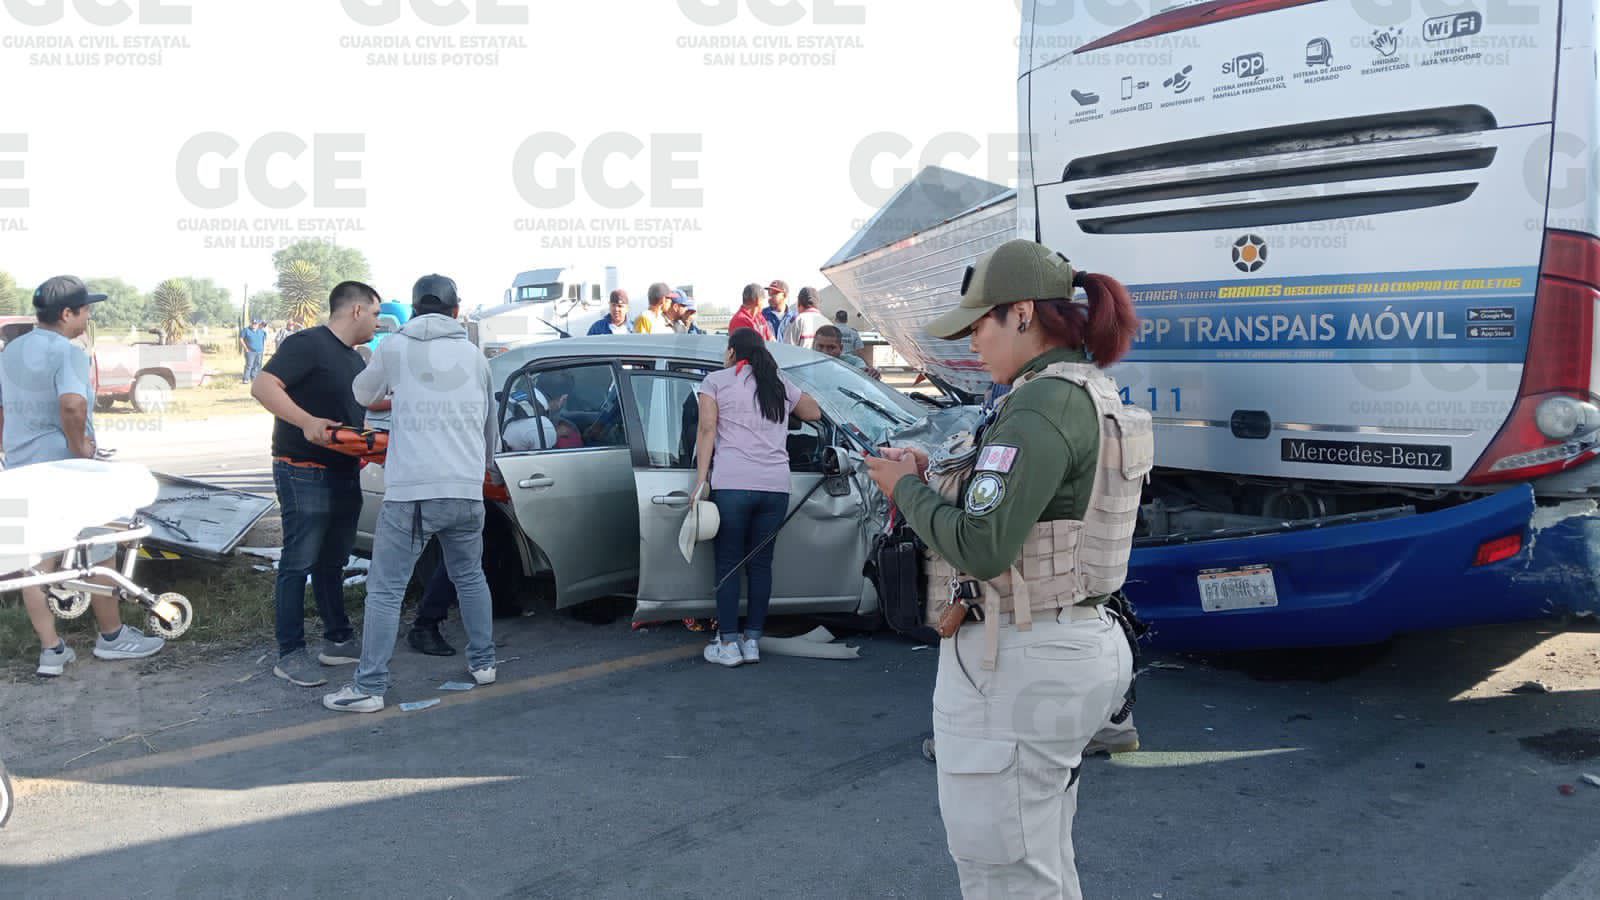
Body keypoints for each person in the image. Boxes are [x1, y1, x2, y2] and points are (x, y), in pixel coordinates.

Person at [863, 239, 1144, 898]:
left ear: (1021, 314)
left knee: (1004, 871)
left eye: (978, 325)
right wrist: (930, 478)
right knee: (1032, 860)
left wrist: (906, 491)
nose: (970, 345)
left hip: (1021, 656)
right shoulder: (1083, 389)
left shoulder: (1041, 404)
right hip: (1068, 638)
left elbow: (984, 547)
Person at [325, 274, 499, 713]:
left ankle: (369, 686)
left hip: (413, 493)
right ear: (456, 311)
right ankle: (484, 663)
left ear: (415, 310)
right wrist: (482, 470)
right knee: (471, 576)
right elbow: (489, 426)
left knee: (385, 589)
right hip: (465, 488)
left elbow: (362, 393)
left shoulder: (397, 347)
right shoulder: (475, 357)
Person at [0, 276, 165, 676]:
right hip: (64, 468)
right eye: (85, 310)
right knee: (101, 540)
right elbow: (72, 405)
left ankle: (51, 650)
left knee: (35, 558)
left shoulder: (11, 350)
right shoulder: (68, 351)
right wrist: (82, 452)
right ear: (67, 313)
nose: (89, 316)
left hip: (21, 465)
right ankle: (112, 637)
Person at [252, 281, 381, 687]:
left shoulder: (355, 360)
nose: (379, 322)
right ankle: (290, 653)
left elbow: (361, 409)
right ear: (357, 311)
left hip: (343, 470)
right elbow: (263, 385)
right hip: (302, 469)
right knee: (297, 562)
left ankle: (338, 640)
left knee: (333, 561)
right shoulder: (307, 343)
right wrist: (307, 422)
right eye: (376, 313)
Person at [692, 327, 823, 667]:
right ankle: (752, 642)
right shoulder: (776, 383)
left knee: (728, 564)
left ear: (733, 352)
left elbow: (707, 429)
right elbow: (814, 412)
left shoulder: (716, 381)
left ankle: (728, 645)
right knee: (761, 566)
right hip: (776, 487)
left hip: (733, 484)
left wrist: (700, 480)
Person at [813, 324, 881, 380]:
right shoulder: (804, 364)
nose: (825, 352)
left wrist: (871, 373)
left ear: (841, 348)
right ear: (813, 346)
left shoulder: (853, 362)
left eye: (831, 347)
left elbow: (863, 372)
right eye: (820, 346)